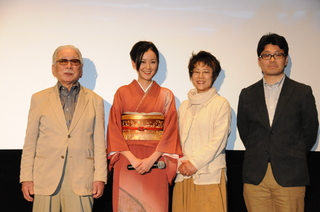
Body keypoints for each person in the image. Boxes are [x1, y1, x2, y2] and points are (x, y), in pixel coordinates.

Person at [20, 45, 107, 212]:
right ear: (54, 69)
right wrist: (26, 178)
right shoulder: (39, 99)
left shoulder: (95, 101)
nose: (69, 66)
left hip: (82, 179)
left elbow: (98, 143)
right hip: (45, 178)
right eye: (63, 61)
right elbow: (30, 142)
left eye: (74, 61)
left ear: (80, 70)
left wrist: (100, 178)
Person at [237, 33, 319, 212]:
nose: (272, 59)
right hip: (255, 175)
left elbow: (310, 130)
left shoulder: (302, 92)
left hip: (291, 174)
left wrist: (290, 152)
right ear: (259, 60)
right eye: (266, 55)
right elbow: (244, 130)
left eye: (278, 54)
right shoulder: (247, 94)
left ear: (286, 59)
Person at [107, 41, 182, 212]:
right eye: (143, 61)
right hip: (127, 159)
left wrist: (151, 160)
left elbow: (170, 131)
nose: (148, 67)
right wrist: (132, 159)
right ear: (134, 63)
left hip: (156, 161)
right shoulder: (122, 92)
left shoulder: (166, 95)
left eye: (153, 62)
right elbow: (114, 128)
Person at [172, 51, 231, 212]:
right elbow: (175, 139)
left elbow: (218, 142)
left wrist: (194, 163)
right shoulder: (184, 105)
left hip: (209, 175)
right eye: (196, 71)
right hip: (183, 174)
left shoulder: (221, 104)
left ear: (214, 75)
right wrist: (181, 164)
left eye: (206, 72)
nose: (201, 76)